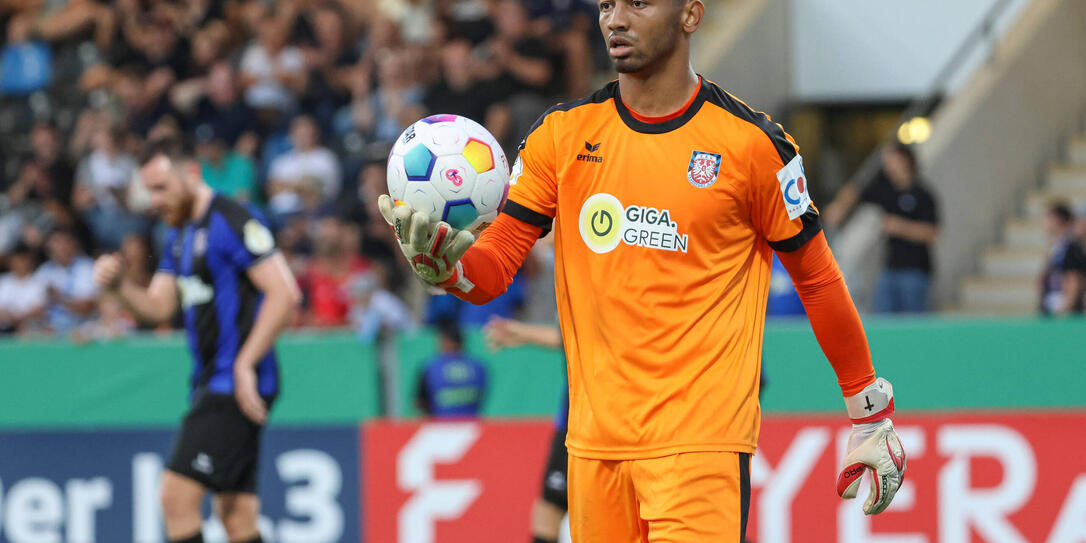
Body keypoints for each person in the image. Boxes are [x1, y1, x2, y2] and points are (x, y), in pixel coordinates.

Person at [379, 0, 906, 540]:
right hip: (592, 449)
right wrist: (444, 268)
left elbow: (817, 280)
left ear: (692, 16)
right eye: (606, 4)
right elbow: (493, 270)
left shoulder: (754, 146)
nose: (615, 19)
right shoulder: (560, 135)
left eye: (638, 3)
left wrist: (868, 408)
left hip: (701, 446)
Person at [92, 136, 301, 543]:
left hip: (235, 384)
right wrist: (119, 286)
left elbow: (285, 294)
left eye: (160, 187)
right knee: (236, 514)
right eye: (147, 190)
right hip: (211, 382)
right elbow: (157, 307)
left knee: (175, 497)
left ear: (190, 174)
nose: (153, 200)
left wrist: (244, 364)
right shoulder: (179, 234)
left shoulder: (232, 218)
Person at [824, 142, 939, 313]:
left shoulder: (922, 194)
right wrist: (839, 207)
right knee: (882, 318)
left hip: (915, 271)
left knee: (913, 325)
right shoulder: (886, 190)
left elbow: (932, 233)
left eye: (891, 161)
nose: (887, 166)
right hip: (890, 268)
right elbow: (856, 190)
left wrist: (899, 227)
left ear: (904, 161)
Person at [484, 317, 568, 543]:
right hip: (577, 425)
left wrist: (521, 332)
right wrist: (521, 333)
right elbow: (572, 335)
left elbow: (575, 335)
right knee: (550, 508)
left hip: (589, 426)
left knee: (552, 511)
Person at [415, 319, 488, 417]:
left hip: (441, 425)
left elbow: (419, 402)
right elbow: (481, 397)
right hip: (472, 425)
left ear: (447, 341)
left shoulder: (431, 367)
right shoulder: (479, 366)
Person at [36, 228, 99, 333]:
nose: (59, 247)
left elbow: (87, 307)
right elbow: (35, 307)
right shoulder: (44, 270)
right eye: (55, 243)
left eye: (62, 242)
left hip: (83, 327)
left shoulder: (87, 267)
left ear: (73, 244)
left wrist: (58, 297)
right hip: (50, 329)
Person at [1039, 200, 1086, 315]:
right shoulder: (1058, 246)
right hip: (1052, 304)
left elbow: (1074, 278)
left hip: (1063, 308)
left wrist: (1067, 307)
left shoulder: (1071, 247)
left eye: (1048, 217)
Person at [0, 243, 49, 335]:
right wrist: (9, 318)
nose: (20, 264)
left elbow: (39, 309)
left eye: (23, 260)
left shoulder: (40, 281)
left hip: (30, 326)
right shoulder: (3, 282)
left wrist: (19, 318)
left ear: (31, 261)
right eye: (17, 260)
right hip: (4, 325)